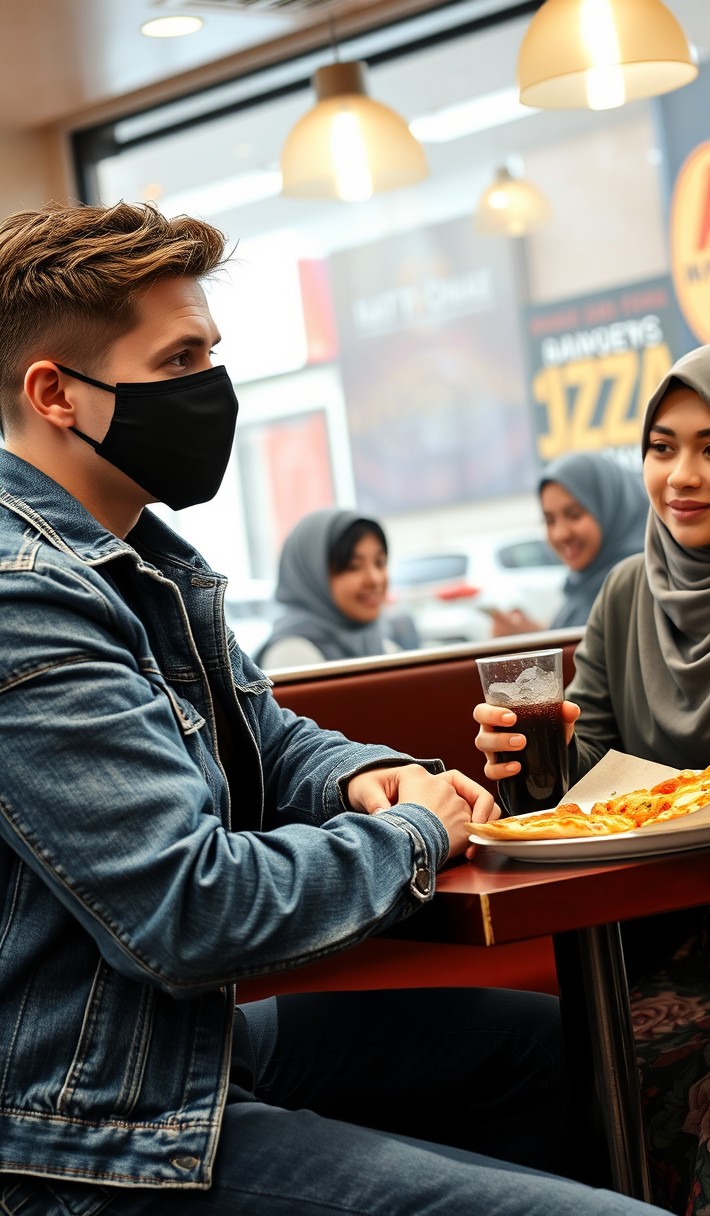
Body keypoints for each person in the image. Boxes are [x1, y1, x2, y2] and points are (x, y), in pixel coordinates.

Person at [0, 200, 665, 1216]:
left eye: (211, 355)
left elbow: (272, 742)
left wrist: (359, 776)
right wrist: (411, 831)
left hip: (185, 1052)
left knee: (557, 1051)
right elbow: (188, 909)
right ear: (55, 392)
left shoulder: (147, 562)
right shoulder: (25, 596)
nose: (212, 389)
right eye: (181, 361)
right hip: (78, 1130)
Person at [475, 340, 710, 1215]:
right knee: (570, 1070)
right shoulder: (630, 593)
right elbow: (588, 801)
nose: (680, 475)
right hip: (681, 940)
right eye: (661, 446)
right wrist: (529, 767)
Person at [489, 451, 649, 635]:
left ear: (613, 508)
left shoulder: (638, 585)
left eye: (574, 515)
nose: (560, 534)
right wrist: (531, 635)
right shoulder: (583, 588)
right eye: (550, 521)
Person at [254, 507, 416, 669]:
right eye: (353, 566)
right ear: (314, 574)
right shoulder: (292, 655)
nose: (374, 579)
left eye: (379, 563)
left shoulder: (380, 644)